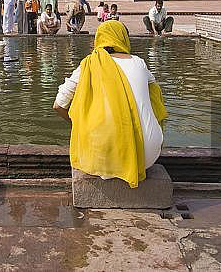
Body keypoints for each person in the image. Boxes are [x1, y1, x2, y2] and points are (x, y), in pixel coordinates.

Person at [53, 20, 166, 188]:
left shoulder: (89, 64)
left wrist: (78, 125)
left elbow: (58, 105)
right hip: (148, 154)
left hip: (103, 158)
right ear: (123, 39)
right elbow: (156, 96)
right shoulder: (139, 63)